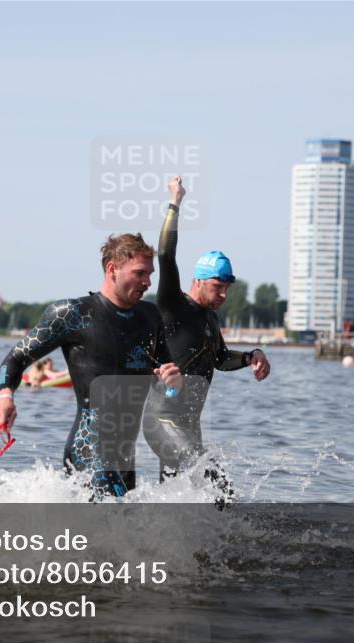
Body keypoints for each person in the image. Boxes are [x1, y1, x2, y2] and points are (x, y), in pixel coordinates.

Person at [0, 234, 182, 499]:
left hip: (126, 456)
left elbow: (167, 384)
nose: (147, 282)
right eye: (139, 273)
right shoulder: (71, 314)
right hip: (88, 449)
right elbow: (16, 358)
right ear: (112, 269)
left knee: (122, 536)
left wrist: (172, 385)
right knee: (109, 531)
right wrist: (5, 396)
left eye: (150, 274)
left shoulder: (150, 316)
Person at [142, 176, 270, 500]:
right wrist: (176, 201)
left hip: (189, 425)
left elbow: (217, 359)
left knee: (177, 498)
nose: (225, 294)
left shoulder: (210, 319)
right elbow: (165, 255)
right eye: (218, 286)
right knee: (218, 487)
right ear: (198, 280)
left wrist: (249, 356)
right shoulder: (174, 305)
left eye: (228, 287)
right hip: (163, 418)